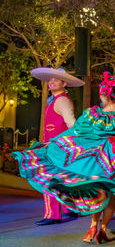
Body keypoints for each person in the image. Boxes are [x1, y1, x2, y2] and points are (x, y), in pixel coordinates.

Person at [13, 62, 115, 243]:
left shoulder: (94, 115)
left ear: (104, 94)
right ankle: (102, 229)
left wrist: (54, 143)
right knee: (111, 192)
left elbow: (76, 130)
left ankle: (93, 225)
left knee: (97, 190)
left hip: (99, 157)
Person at [28, 67, 84, 225]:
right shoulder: (54, 100)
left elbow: (72, 125)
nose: (51, 82)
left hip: (57, 148)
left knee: (48, 178)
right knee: (60, 179)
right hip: (53, 147)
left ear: (64, 83)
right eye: (50, 79)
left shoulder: (61, 100)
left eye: (56, 79)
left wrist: (63, 144)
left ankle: (52, 214)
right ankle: (69, 209)